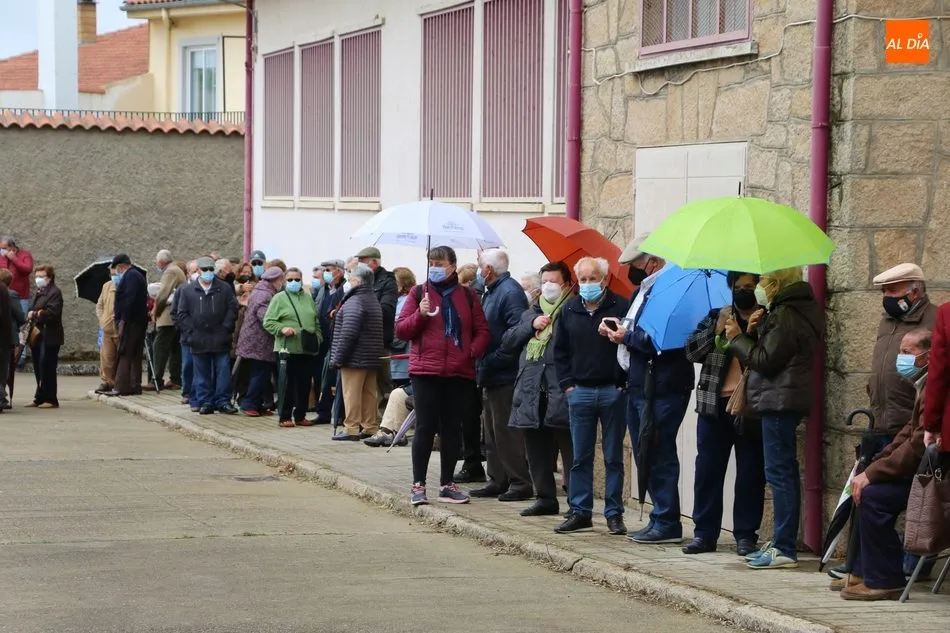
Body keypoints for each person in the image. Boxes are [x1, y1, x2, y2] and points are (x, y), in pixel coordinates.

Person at [724, 266, 821, 569]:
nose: (759, 287)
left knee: (779, 473)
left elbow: (766, 361)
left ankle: (784, 547)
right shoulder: (789, 311)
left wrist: (738, 338)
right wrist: (757, 331)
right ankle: (781, 541)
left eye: (764, 281)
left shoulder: (786, 314)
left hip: (779, 400)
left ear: (777, 284)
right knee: (782, 472)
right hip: (781, 398)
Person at [610, 236, 694, 544]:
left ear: (653, 262)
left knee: (659, 452)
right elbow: (638, 329)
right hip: (640, 384)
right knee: (646, 451)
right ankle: (659, 517)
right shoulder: (643, 291)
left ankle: (668, 521)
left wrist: (626, 337)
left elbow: (663, 341)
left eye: (635, 265)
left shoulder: (672, 292)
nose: (632, 272)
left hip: (663, 386)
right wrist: (621, 330)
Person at [395, 245, 491, 506]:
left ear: (452, 266)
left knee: (451, 428)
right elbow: (402, 330)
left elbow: (482, 330)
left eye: (439, 264)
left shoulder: (467, 295)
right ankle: (418, 485)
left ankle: (447, 484)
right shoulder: (418, 293)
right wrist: (420, 314)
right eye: (431, 263)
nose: (434, 268)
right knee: (425, 427)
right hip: (426, 371)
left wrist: (471, 352)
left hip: (459, 372)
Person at [841, 329, 931, 600]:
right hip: (924, 474)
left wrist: (872, 474)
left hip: (934, 481)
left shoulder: (934, 387)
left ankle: (885, 579)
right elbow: (908, 433)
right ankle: (864, 571)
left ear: (927, 357)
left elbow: (917, 446)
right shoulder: (924, 384)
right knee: (864, 485)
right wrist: (872, 467)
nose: (900, 358)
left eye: (907, 352)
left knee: (873, 496)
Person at [682, 271, 766, 556]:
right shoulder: (716, 316)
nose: (743, 291)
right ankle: (704, 534)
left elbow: (767, 357)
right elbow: (691, 352)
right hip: (714, 405)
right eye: (738, 287)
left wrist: (748, 333)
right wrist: (715, 330)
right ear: (730, 288)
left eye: (749, 286)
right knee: (708, 470)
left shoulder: (766, 319)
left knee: (750, 472)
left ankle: (746, 535)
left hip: (750, 407)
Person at [552, 257, 629, 534]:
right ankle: (580, 511)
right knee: (580, 457)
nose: (587, 284)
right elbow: (560, 351)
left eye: (592, 278)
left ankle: (614, 513)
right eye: (583, 279)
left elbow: (629, 348)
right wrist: (568, 385)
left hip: (612, 391)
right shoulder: (569, 309)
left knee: (613, 456)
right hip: (580, 391)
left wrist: (622, 383)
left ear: (604, 279)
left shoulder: (621, 307)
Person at [503, 261, 575, 517]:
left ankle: (577, 502)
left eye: (553, 282)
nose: (548, 286)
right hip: (533, 389)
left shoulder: (573, 310)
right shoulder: (531, 312)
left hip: (561, 389)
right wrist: (531, 325)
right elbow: (508, 341)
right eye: (544, 282)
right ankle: (545, 498)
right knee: (536, 448)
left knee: (570, 449)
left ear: (566, 284)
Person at [471, 248, 532, 501]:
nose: (478, 271)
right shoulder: (493, 291)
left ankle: (519, 482)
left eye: (479, 266)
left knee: (506, 432)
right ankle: (497, 479)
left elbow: (516, 334)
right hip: (491, 372)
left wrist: (492, 361)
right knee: (492, 432)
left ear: (488, 270)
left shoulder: (509, 292)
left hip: (504, 373)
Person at [869, 263, 937, 441]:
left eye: (892, 290)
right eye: (883, 291)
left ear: (914, 293)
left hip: (914, 425)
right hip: (881, 423)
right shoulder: (887, 322)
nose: (886, 296)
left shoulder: (936, 320)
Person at [176, 256, 239, 415]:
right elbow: (182, 313)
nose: (208, 272)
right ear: (198, 271)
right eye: (205, 269)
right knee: (201, 373)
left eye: (211, 269)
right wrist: (192, 331)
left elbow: (232, 309)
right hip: (198, 339)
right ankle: (205, 401)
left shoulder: (224, 288)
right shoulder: (188, 290)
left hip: (220, 338)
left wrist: (226, 328)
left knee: (223, 371)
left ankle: (223, 401)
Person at [330, 263, 384, 440]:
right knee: (369, 393)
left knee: (351, 392)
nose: (349, 281)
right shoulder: (372, 299)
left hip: (354, 357)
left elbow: (349, 332)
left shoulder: (355, 301)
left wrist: (338, 358)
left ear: (358, 281)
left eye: (351, 278)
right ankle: (370, 426)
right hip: (371, 356)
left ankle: (351, 428)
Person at [264, 267, 323, 427]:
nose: (294, 282)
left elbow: (315, 320)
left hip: (306, 349)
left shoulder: (308, 298)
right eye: (290, 279)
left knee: (304, 384)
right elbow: (268, 321)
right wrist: (281, 329)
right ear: (285, 281)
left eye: (297, 279)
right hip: (286, 349)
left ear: (301, 280)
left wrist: (317, 337)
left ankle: (300, 415)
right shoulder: (279, 298)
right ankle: (284, 416)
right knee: (287, 384)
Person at [355, 246, 398, 421]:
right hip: (362, 339)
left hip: (379, 339)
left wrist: (364, 308)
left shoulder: (387, 281)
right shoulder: (362, 280)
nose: (359, 265)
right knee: (367, 384)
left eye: (362, 261)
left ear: (374, 262)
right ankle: (369, 420)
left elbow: (387, 310)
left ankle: (387, 421)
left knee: (383, 382)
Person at [236, 266, 283, 417]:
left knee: (259, 373)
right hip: (259, 341)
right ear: (275, 280)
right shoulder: (265, 295)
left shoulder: (259, 290)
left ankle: (257, 404)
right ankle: (249, 403)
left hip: (253, 340)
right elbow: (265, 318)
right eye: (281, 280)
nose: (282, 283)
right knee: (261, 373)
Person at [106, 254, 148, 397]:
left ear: (120, 267)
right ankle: (134, 384)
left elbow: (129, 299)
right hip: (137, 320)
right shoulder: (136, 275)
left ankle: (122, 386)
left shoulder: (130, 276)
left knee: (125, 351)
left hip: (131, 321)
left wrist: (123, 318)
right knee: (135, 354)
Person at [25, 264, 63, 408]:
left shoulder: (55, 292)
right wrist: (35, 313)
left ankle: (51, 398)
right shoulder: (40, 291)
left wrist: (36, 314)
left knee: (48, 366)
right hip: (38, 334)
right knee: (38, 367)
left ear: (49, 278)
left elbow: (52, 313)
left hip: (50, 335)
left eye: (41, 276)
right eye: (37, 276)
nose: (38, 279)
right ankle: (39, 397)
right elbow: (33, 308)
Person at [314, 258, 347, 424]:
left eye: (328, 269)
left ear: (339, 271)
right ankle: (323, 412)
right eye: (324, 270)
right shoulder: (323, 289)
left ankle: (340, 414)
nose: (325, 273)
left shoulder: (345, 288)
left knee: (335, 378)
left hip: (337, 339)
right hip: (322, 338)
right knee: (321, 377)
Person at [151, 249, 186, 391]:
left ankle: (156, 379)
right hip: (177, 315)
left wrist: (155, 311)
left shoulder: (170, 271)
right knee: (175, 348)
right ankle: (175, 379)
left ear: (161, 262)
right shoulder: (177, 270)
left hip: (168, 317)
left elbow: (162, 294)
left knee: (159, 347)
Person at [176, 260, 199, 407]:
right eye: (194, 271)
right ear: (188, 273)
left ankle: (196, 393)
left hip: (202, 335)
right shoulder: (183, 289)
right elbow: (176, 312)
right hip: (187, 335)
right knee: (188, 365)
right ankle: (187, 392)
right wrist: (184, 328)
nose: (197, 274)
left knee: (199, 365)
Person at [0, 269, 24, 408]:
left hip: (6, 336)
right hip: (7, 336)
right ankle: (2, 397)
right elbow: (20, 316)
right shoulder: (10, 294)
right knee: (5, 368)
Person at [390, 267, 416, 388]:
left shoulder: (407, 301)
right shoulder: (396, 300)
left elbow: (398, 327)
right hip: (397, 358)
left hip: (402, 357)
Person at [94, 272, 119, 394]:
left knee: (120, 358)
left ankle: (119, 382)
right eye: (112, 274)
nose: (114, 276)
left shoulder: (126, 285)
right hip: (107, 328)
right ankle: (107, 381)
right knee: (106, 357)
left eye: (116, 273)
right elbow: (99, 306)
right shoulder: (106, 286)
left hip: (120, 329)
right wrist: (102, 320)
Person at [0, 236, 34, 314]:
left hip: (20, 298)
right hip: (3, 296)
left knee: (21, 320)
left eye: (4, 248)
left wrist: (14, 258)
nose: (1, 250)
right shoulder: (1, 257)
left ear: (12, 247)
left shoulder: (25, 254)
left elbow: (28, 269)